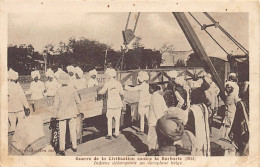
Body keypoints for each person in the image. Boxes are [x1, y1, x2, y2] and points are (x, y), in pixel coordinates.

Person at [53, 73, 81, 156]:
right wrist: (81, 111)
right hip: (72, 113)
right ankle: (74, 146)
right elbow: (78, 101)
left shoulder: (58, 91)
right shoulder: (72, 89)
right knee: (73, 130)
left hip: (62, 114)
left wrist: (54, 115)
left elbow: (55, 105)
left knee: (62, 131)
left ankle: (62, 149)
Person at [98, 68, 124, 140]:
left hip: (111, 104)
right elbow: (122, 93)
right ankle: (116, 133)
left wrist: (98, 91)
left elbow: (102, 92)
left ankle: (109, 134)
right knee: (117, 118)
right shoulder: (118, 83)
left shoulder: (107, 83)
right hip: (118, 103)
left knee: (109, 119)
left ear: (109, 76)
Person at [146, 84, 168, 155]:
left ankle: (151, 150)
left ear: (153, 89)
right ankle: (156, 149)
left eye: (149, 89)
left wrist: (160, 120)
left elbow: (156, 110)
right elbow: (165, 108)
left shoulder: (154, 97)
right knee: (158, 137)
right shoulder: (160, 96)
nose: (148, 90)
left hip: (154, 120)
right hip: (159, 119)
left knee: (151, 137)